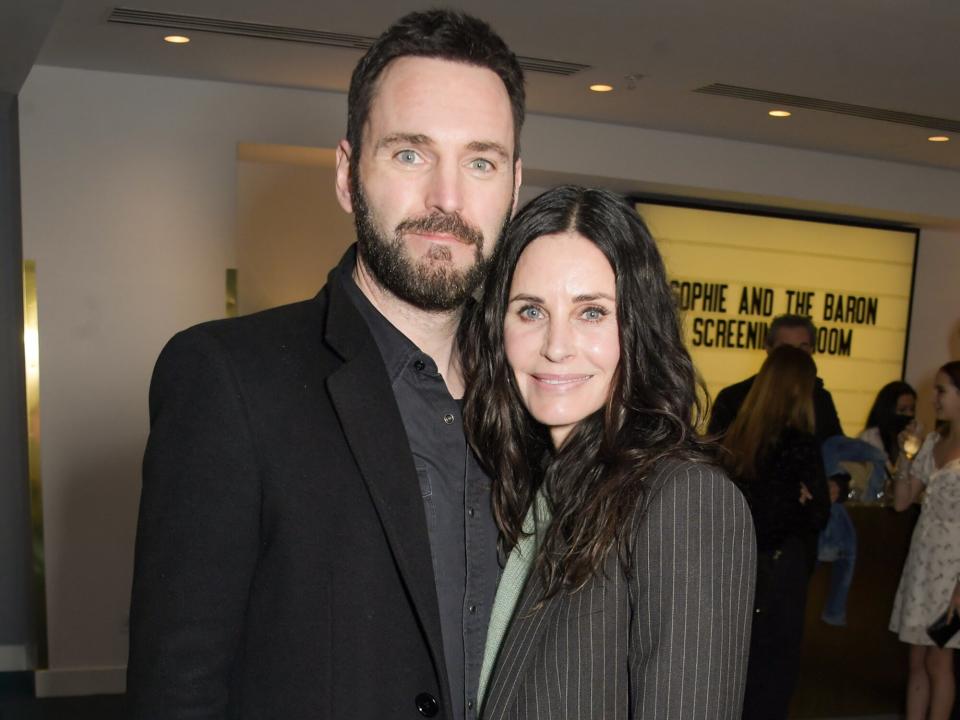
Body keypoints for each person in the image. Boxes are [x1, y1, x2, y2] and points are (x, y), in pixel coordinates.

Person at [127, 10, 524, 719]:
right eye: (410, 153)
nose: (448, 198)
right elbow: (177, 690)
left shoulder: (539, 399)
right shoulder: (228, 380)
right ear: (347, 175)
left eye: (481, 161)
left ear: (514, 188)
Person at [462, 186, 756, 719]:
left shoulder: (686, 501)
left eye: (592, 313)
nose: (556, 345)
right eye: (530, 310)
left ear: (637, 328)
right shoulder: (535, 489)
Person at [720, 344, 830, 720]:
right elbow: (818, 514)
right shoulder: (799, 442)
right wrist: (806, 500)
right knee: (775, 671)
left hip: (739, 565)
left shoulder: (736, 438)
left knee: (738, 666)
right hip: (782, 569)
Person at [889, 361, 960, 720]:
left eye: (942, 390)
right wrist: (906, 455)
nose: (933, 398)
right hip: (923, 562)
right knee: (916, 659)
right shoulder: (933, 441)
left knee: (939, 659)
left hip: (953, 572)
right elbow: (902, 502)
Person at [708, 314, 843, 445]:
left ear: (812, 350)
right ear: (767, 348)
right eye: (785, 348)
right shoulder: (732, 398)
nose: (793, 356)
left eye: (802, 347)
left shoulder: (821, 398)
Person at [861, 380, 918, 464]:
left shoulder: (911, 437)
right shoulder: (870, 438)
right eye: (902, 410)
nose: (909, 414)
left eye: (912, 409)